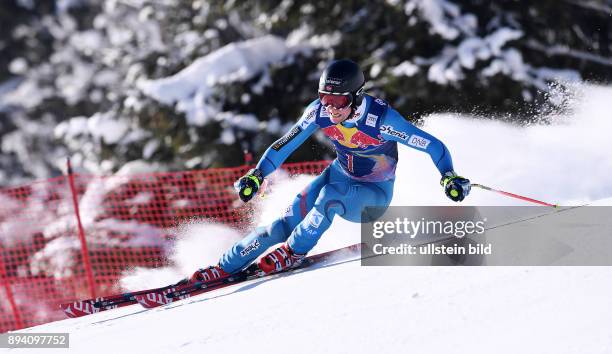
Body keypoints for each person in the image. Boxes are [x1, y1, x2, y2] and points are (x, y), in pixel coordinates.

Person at [190, 59, 470, 283]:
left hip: (372, 195)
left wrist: (449, 176)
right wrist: (258, 174)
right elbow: (284, 144)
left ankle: (293, 252)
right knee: (280, 226)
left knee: (330, 196)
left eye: (338, 101)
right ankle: (225, 266)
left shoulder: (381, 121)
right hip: (337, 175)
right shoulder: (319, 111)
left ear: (357, 97)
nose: (331, 107)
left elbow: (433, 146)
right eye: (325, 97)